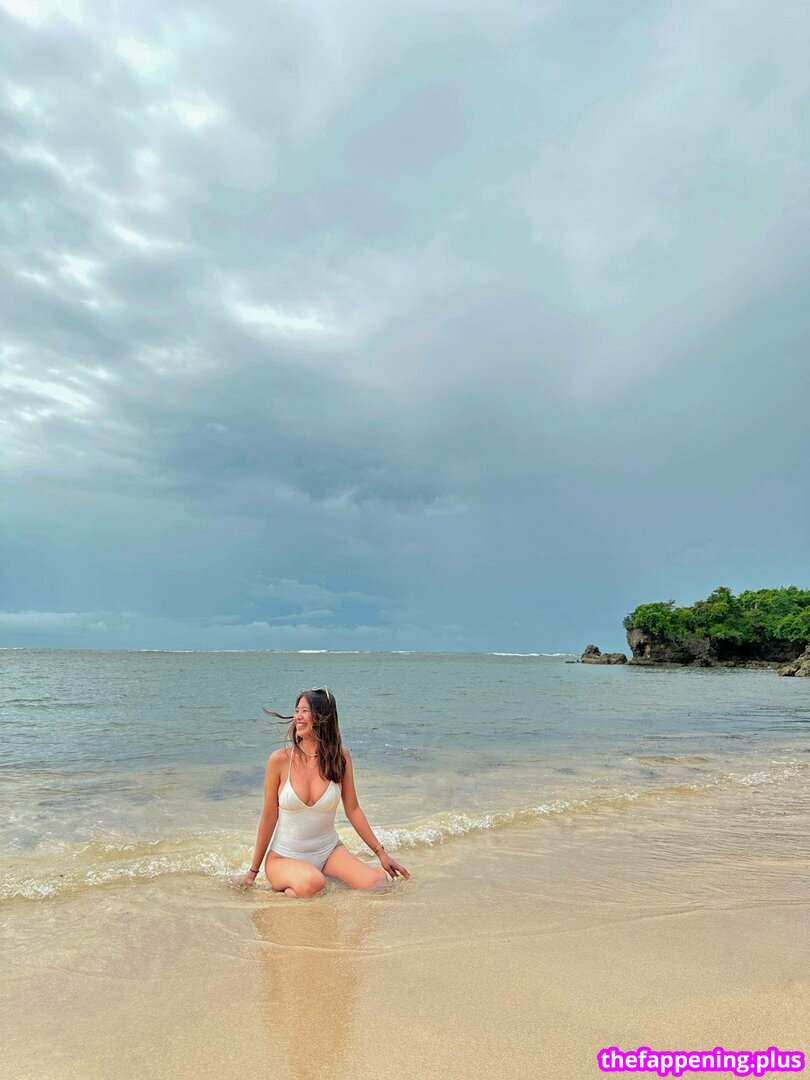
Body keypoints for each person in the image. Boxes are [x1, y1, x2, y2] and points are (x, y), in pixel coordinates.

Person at [235, 686, 410, 897]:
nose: (297, 717)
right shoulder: (279, 760)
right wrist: (252, 872)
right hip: (284, 857)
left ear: (322, 717)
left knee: (378, 883)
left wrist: (381, 853)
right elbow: (269, 816)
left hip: (329, 852)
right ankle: (296, 886)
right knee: (314, 883)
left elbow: (353, 809)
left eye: (304, 711)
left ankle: (305, 886)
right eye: (296, 711)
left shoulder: (340, 758)